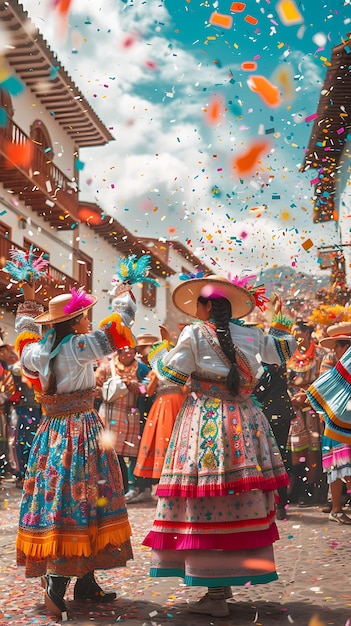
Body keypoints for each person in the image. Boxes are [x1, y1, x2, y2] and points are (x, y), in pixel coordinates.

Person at [142, 273, 297, 618]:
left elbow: (172, 376)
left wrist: (158, 353)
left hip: (207, 423)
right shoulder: (255, 335)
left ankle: (216, 595)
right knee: (234, 500)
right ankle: (220, 587)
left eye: (199, 303)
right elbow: (285, 348)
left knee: (206, 499)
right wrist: (280, 319)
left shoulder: (195, 333)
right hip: (245, 423)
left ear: (208, 305)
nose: (196, 309)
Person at [14, 280, 136, 621]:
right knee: (84, 500)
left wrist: (27, 304)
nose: (87, 320)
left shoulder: (37, 351)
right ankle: (57, 583)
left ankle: (86, 583)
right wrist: (124, 294)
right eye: (83, 316)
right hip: (81, 431)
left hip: (50, 433)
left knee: (63, 498)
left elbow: (23, 336)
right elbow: (120, 326)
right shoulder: (78, 346)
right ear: (75, 322)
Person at [307, 322, 351, 524]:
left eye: (339, 347)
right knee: (337, 463)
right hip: (334, 421)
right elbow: (325, 390)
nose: (336, 351)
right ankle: (336, 507)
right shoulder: (331, 361)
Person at [95, 344, 150, 500]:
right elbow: (95, 388)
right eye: (124, 348)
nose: (128, 351)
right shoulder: (106, 367)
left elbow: (147, 391)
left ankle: (131, 487)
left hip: (131, 413)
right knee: (110, 452)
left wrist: (136, 388)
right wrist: (110, 389)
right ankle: (112, 487)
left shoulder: (141, 369)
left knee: (132, 452)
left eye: (131, 348)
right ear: (118, 350)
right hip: (110, 413)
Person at [134, 333, 189, 489]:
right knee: (161, 437)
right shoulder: (154, 372)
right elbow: (149, 392)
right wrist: (157, 375)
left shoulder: (178, 370)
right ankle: (163, 476)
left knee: (176, 437)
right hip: (161, 405)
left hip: (176, 403)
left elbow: (185, 389)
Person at [286, 320, 325, 505]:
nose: (296, 335)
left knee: (312, 449)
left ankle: (309, 490)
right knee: (295, 449)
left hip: (311, 405)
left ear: (308, 333)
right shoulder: (289, 354)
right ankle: (296, 489)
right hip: (294, 406)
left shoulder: (318, 354)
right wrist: (291, 398)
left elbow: (322, 379)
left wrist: (307, 396)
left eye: (299, 332)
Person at [253, 361, 295, 520]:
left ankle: (280, 503)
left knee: (275, 458)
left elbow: (261, 386)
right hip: (272, 413)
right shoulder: (273, 357)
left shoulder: (269, 362)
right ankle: (275, 503)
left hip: (273, 414)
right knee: (273, 458)